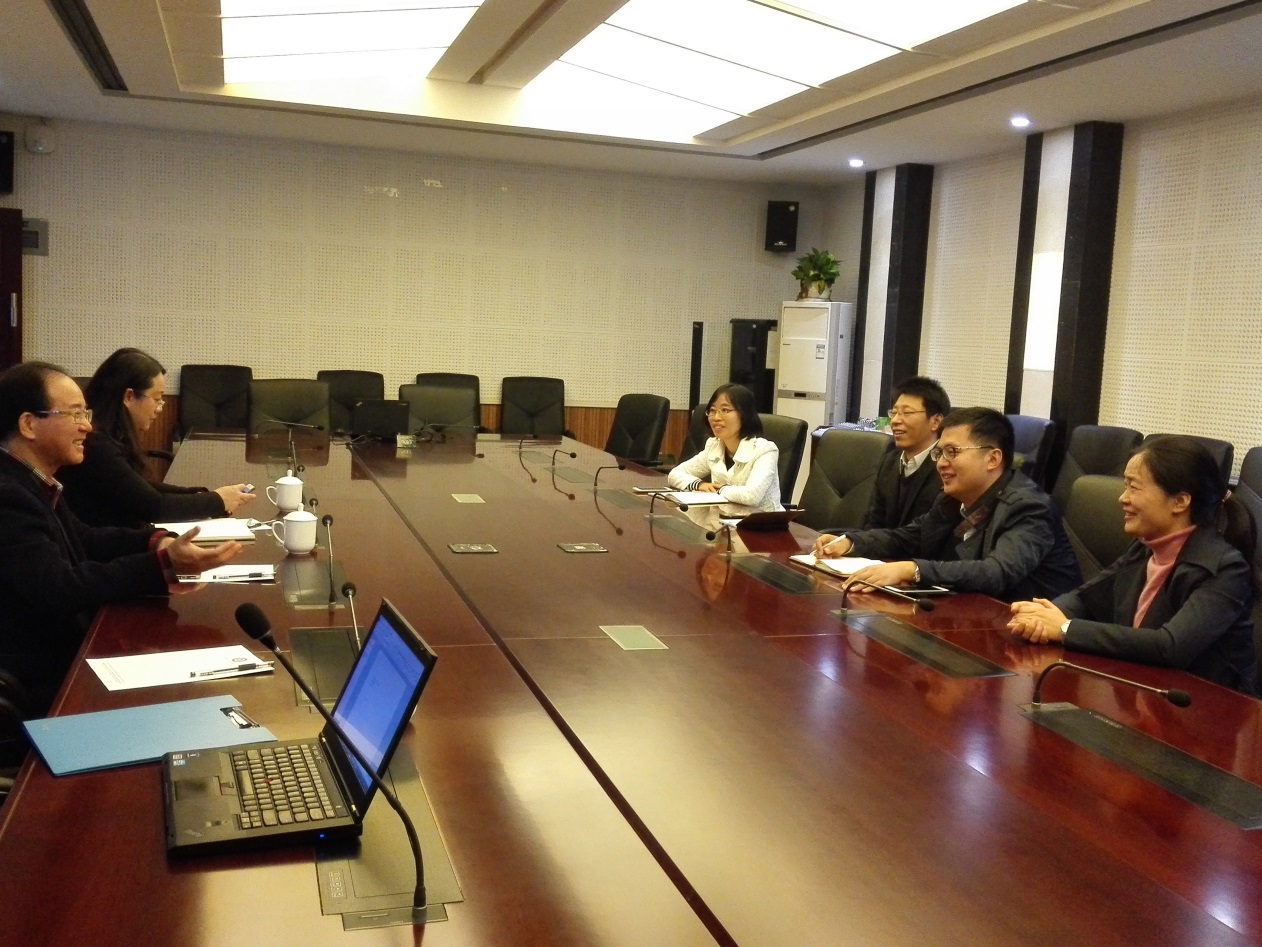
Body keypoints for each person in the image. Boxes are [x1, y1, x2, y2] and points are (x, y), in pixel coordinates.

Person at [0, 362, 243, 714]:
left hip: (68, 651)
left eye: (86, 413)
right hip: (45, 677)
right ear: (28, 424)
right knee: (190, 703)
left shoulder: (33, 479)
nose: (87, 426)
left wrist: (157, 543)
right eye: (74, 414)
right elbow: (59, 587)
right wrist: (161, 566)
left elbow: (83, 539)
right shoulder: (8, 494)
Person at [1008, 435, 1259, 694]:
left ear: (1180, 501)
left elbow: (1169, 646)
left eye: (1134, 488)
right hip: (1143, 690)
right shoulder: (1146, 546)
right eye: (1125, 485)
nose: (1122, 498)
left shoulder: (1225, 568)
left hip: (1209, 705)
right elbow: (1088, 597)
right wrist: (1040, 618)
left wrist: (1063, 628)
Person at [810, 406, 1081, 602]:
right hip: (975, 617)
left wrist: (913, 570)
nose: (940, 463)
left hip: (1034, 641)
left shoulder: (1029, 507)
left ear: (993, 459)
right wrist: (850, 542)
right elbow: (909, 537)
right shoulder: (953, 498)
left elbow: (996, 572)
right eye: (939, 453)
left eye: (952, 452)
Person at [60, 348, 254, 528]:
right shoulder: (95, 444)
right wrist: (217, 501)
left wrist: (202, 495)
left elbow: (139, 487)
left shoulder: (109, 434)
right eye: (157, 398)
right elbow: (153, 506)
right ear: (129, 397)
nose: (160, 407)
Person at [667, 383, 782, 513]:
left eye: (725, 410)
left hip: (763, 523)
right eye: (712, 411)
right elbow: (675, 474)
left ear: (745, 414)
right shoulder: (714, 446)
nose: (716, 417)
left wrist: (719, 490)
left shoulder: (765, 450)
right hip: (723, 519)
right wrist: (699, 484)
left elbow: (752, 496)